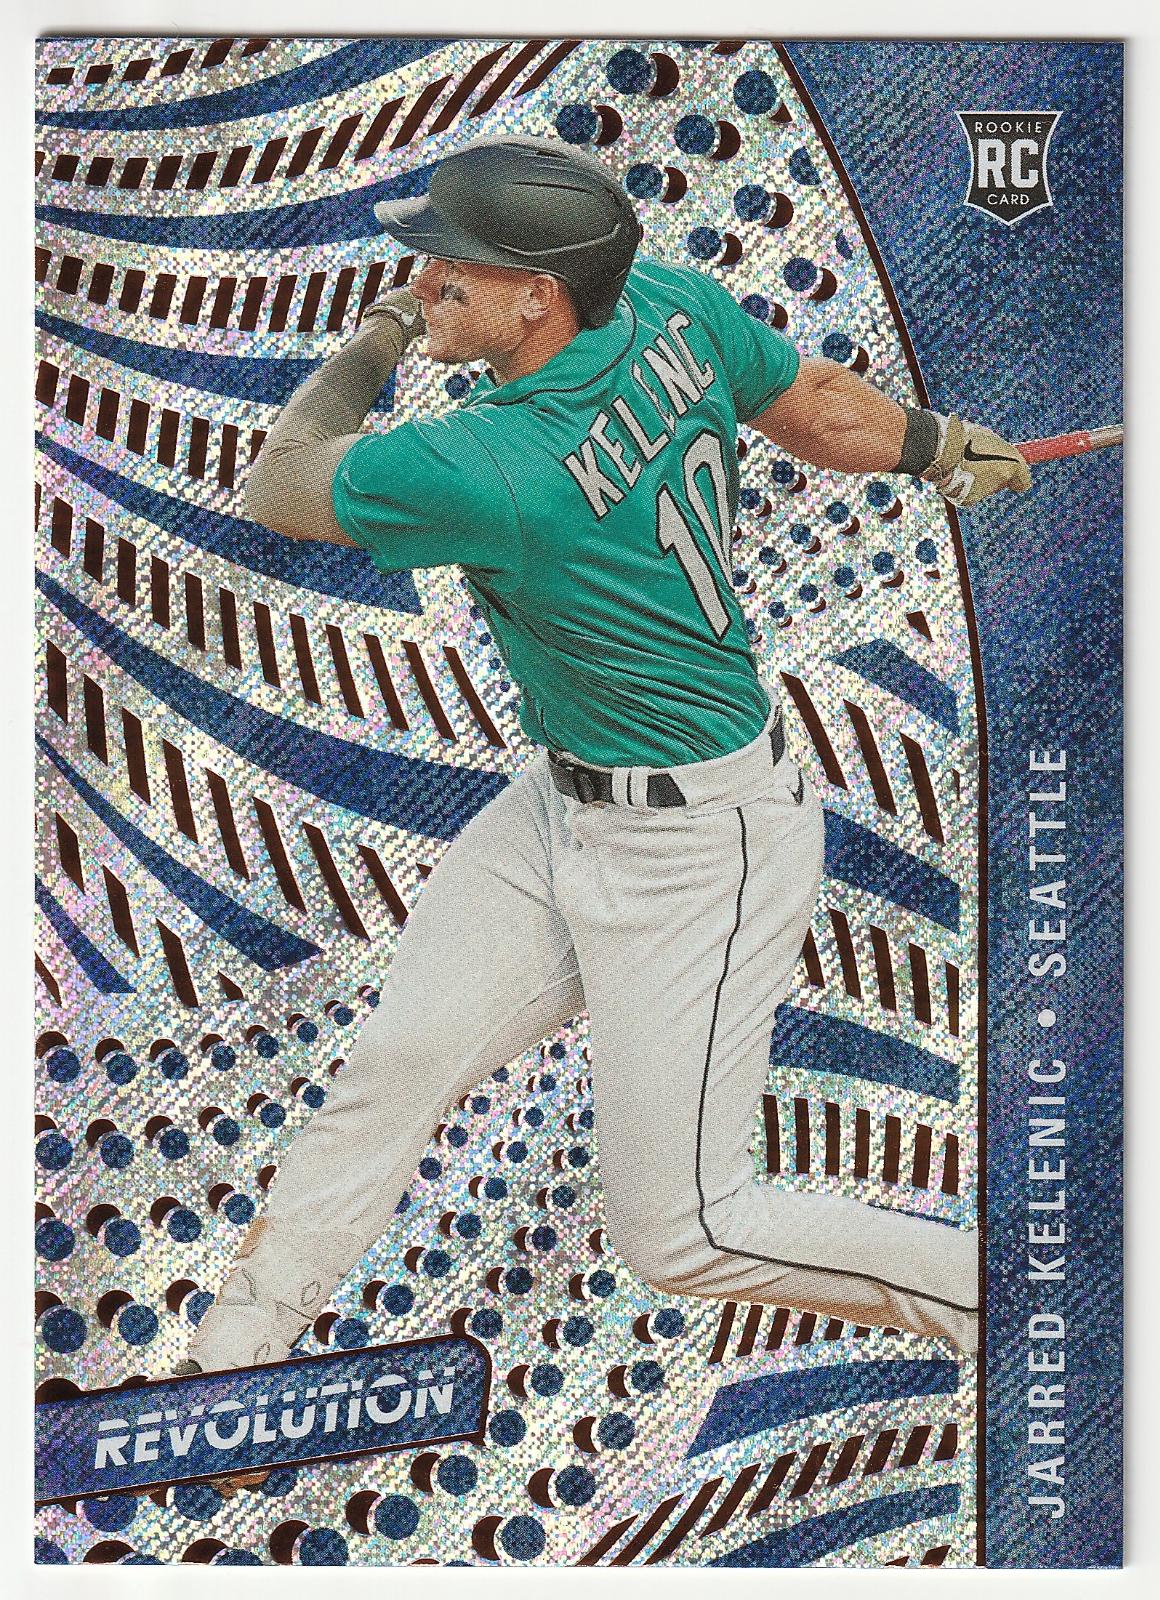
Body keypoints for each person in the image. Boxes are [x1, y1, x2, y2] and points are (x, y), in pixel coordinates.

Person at [182, 134, 1030, 1379]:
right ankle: (234, 1359)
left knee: (681, 1231)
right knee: (398, 1063)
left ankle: (1017, 1306)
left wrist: (382, 332)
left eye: (452, 267)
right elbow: (819, 408)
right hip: (563, 805)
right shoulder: (668, 306)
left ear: (539, 294)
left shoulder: (488, 463)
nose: (427, 279)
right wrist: (938, 444)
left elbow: (279, 483)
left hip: (702, 852)